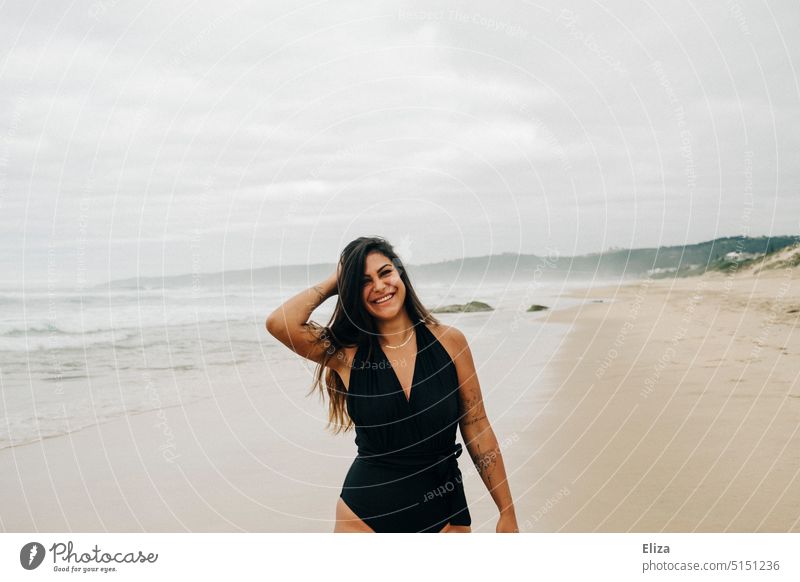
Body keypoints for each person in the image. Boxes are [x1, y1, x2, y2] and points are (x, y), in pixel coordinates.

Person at [266, 236, 519, 533]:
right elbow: (279, 323)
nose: (379, 286)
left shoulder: (451, 343)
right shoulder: (346, 355)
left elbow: (477, 426)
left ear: (400, 275)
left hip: (446, 514)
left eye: (385, 273)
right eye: (364, 281)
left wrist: (507, 512)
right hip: (364, 519)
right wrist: (338, 279)